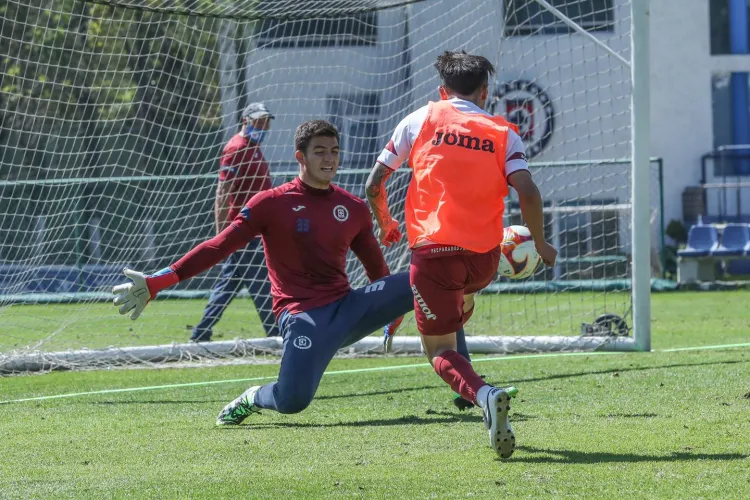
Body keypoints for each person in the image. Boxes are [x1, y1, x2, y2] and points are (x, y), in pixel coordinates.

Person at [112, 120, 470, 425]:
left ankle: (468, 386)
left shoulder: (354, 208)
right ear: (300, 156)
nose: (329, 159)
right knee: (293, 401)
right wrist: (159, 280)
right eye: (320, 152)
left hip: (349, 309)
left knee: (435, 276)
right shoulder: (271, 203)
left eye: (334, 151)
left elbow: (378, 270)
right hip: (303, 317)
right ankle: (253, 397)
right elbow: (219, 246)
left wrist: (397, 311)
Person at [365, 50, 558, 458]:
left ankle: (485, 395)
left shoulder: (420, 120)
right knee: (462, 296)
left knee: (437, 350)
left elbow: (374, 182)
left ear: (441, 91)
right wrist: (540, 244)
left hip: (434, 255)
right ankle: (466, 307)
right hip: (485, 258)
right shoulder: (504, 131)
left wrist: (385, 224)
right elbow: (527, 190)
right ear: (485, 93)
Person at [191, 102, 279, 341]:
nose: (263, 126)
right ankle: (276, 333)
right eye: (259, 121)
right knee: (260, 282)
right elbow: (223, 192)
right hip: (243, 230)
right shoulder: (237, 147)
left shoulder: (253, 147)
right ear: (246, 121)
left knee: (231, 284)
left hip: (254, 231)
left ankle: (201, 333)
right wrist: (222, 235)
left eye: (266, 121)